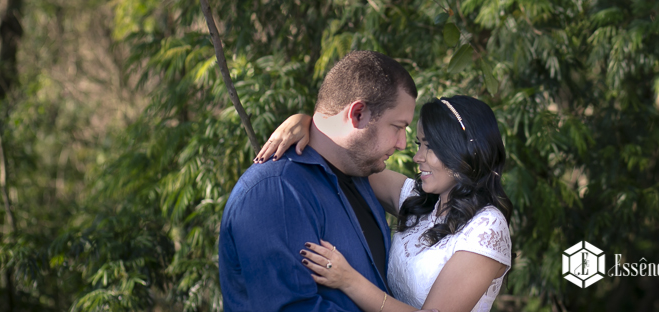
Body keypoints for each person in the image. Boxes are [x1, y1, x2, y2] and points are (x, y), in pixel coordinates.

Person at [257, 95, 512, 312]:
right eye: (418, 145)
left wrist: (349, 281)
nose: (416, 156)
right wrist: (305, 123)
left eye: (429, 147)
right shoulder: (420, 201)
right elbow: (346, 157)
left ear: (460, 153)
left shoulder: (487, 226)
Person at [219, 50, 419, 312]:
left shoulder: (359, 177)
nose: (402, 143)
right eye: (397, 127)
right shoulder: (276, 190)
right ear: (358, 114)